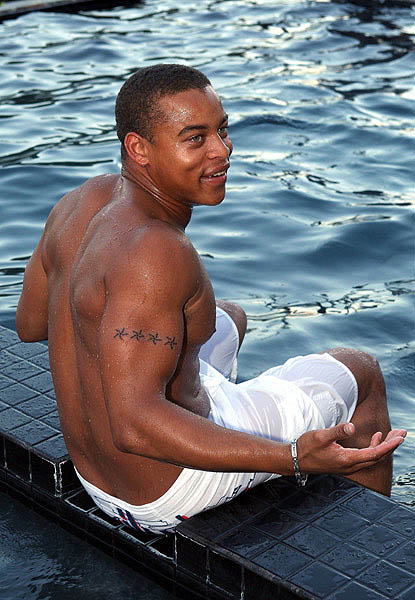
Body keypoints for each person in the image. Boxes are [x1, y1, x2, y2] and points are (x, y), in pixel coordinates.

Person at [16, 64, 406, 534]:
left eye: (222, 129)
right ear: (138, 148)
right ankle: (372, 545)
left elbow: (30, 325)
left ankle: (201, 400)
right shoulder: (156, 251)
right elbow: (134, 425)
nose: (222, 150)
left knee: (229, 318)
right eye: (195, 139)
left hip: (93, 471)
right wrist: (293, 457)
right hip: (165, 490)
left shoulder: (81, 201)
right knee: (360, 371)